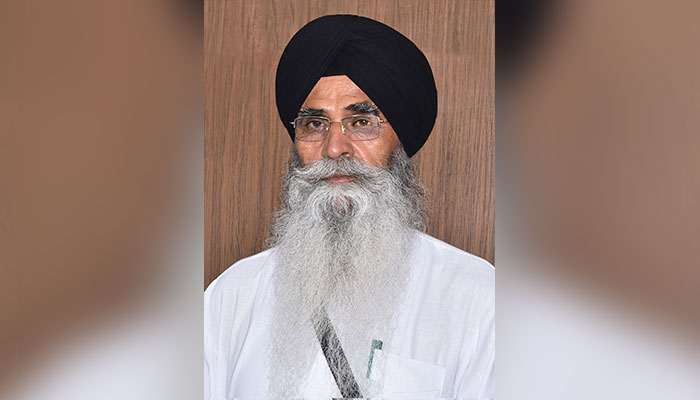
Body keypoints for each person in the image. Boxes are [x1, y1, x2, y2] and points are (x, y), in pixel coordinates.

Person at [205, 14, 494, 399]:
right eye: (314, 124)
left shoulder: (477, 297)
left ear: (400, 141)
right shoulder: (232, 296)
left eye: (361, 122)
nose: (334, 148)